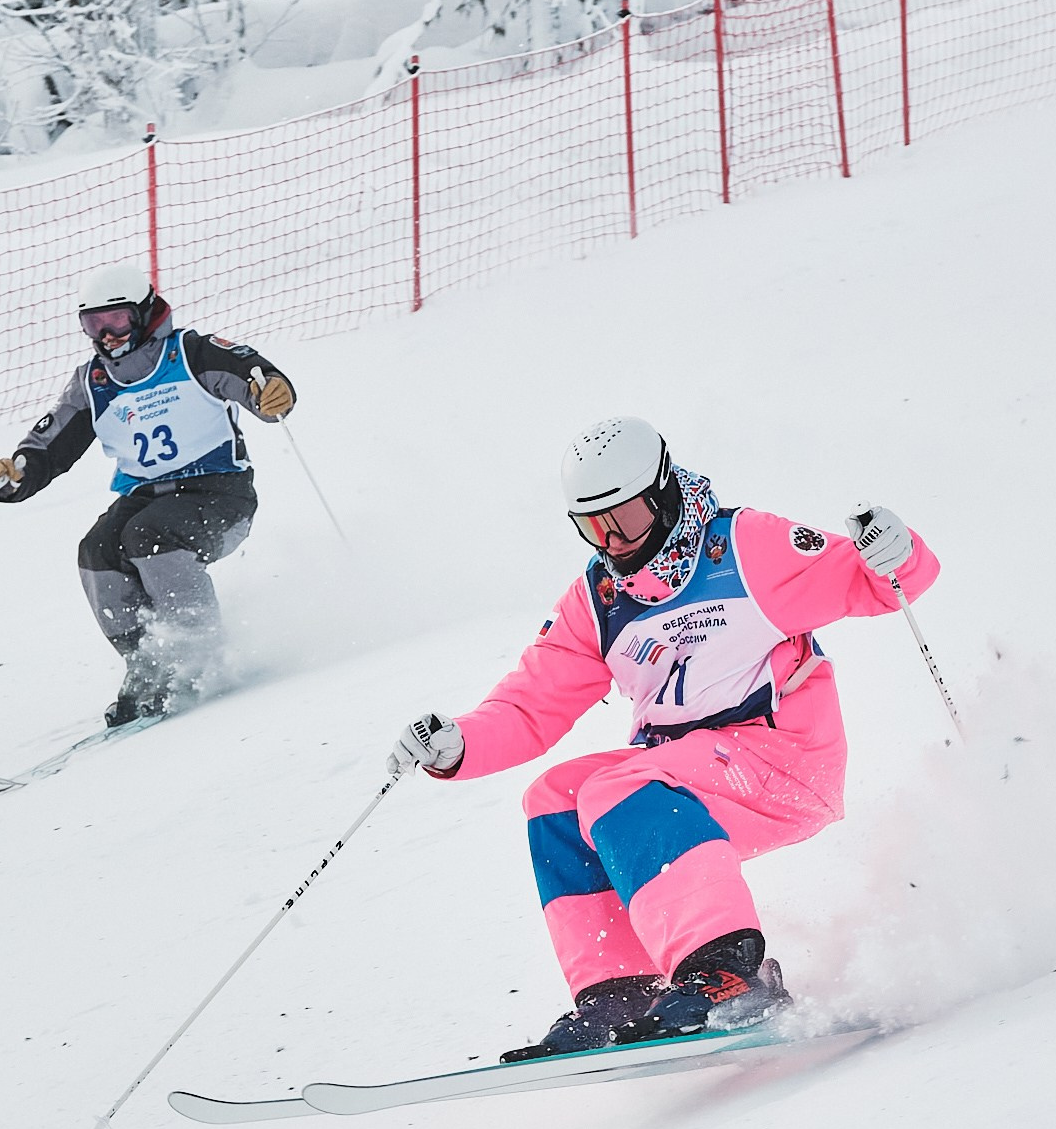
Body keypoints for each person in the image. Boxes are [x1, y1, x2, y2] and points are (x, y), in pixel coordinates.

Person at [388, 416, 939, 1062]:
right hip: (685, 773)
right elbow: (531, 703)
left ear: (662, 492)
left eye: (623, 518)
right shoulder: (599, 598)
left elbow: (872, 582)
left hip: (786, 759)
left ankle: (729, 970)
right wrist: (458, 745)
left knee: (625, 784)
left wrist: (894, 553)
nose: (613, 542)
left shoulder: (743, 548)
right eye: (593, 527)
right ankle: (621, 990)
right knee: (556, 798)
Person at [0, 263, 297, 726]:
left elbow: (255, 377)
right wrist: (17, 474)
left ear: (146, 313)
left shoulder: (191, 352)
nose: (107, 335)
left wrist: (273, 391)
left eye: (117, 321)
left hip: (220, 494)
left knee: (149, 534)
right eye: (94, 324)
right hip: (147, 495)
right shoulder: (95, 381)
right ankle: (148, 663)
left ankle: (198, 656)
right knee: (99, 549)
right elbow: (51, 445)